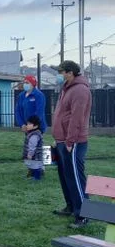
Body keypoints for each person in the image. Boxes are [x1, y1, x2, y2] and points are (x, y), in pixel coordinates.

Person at [51, 60, 92, 228]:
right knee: (66, 176)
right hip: (62, 140)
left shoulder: (80, 90)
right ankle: (71, 206)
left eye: (61, 72)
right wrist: (58, 138)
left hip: (73, 141)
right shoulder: (66, 89)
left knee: (75, 177)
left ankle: (84, 214)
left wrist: (70, 140)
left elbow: (77, 117)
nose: (59, 75)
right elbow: (62, 114)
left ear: (70, 73)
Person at [15, 75, 47, 178]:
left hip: (37, 127)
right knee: (29, 148)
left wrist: (32, 125)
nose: (25, 84)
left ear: (33, 84)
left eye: (27, 82)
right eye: (24, 82)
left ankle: (40, 169)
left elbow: (39, 111)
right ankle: (31, 169)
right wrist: (22, 124)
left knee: (37, 148)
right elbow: (18, 111)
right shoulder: (22, 96)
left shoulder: (38, 95)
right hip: (27, 127)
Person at [23, 115, 44, 182]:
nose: (27, 125)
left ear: (35, 126)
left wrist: (30, 154)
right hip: (35, 156)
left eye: (29, 124)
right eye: (27, 123)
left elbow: (32, 145)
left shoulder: (34, 135)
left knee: (35, 166)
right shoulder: (31, 133)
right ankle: (33, 176)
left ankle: (37, 178)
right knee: (32, 165)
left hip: (35, 155)